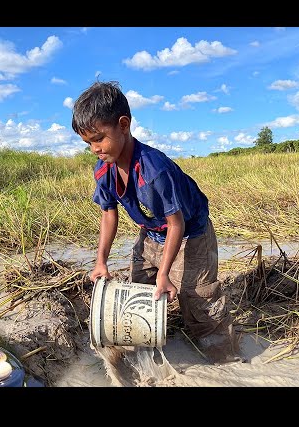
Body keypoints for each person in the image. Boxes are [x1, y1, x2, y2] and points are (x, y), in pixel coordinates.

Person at [71, 80, 241, 364]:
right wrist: (101, 260)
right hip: (152, 234)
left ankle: (225, 358)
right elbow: (108, 214)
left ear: (123, 125)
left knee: (196, 296)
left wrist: (165, 274)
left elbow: (177, 225)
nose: (94, 149)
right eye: (88, 143)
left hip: (191, 234)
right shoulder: (104, 170)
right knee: (139, 290)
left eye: (99, 138)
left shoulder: (154, 170)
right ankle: (148, 353)